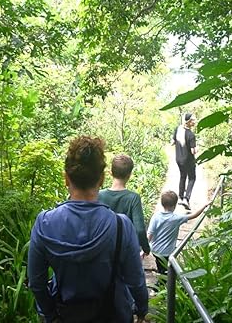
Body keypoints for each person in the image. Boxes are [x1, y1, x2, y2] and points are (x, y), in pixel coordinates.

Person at [27, 136, 148, 323]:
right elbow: (136, 280)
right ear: (101, 179)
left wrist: (51, 315)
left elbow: (36, 282)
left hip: (66, 314)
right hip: (114, 315)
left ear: (66, 178)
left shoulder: (45, 224)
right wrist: (141, 309)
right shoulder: (121, 226)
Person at [147, 190, 210, 275]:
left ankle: (160, 279)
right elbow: (194, 215)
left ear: (162, 203)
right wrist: (204, 206)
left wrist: (145, 248)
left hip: (155, 250)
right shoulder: (176, 218)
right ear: (174, 205)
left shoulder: (155, 216)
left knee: (160, 266)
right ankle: (161, 285)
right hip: (167, 252)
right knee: (166, 271)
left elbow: (150, 234)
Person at [99, 154, 150, 257]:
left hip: (102, 249)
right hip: (125, 252)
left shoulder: (99, 195)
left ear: (110, 173)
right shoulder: (133, 198)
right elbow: (139, 230)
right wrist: (146, 248)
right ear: (129, 175)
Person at [172, 112, 197, 210]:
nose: (194, 121)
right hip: (188, 160)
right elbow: (193, 151)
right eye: (193, 120)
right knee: (192, 178)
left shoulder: (178, 130)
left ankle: (180, 197)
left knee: (182, 176)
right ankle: (187, 199)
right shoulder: (190, 134)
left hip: (179, 159)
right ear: (189, 122)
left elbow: (172, 142)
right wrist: (195, 149)